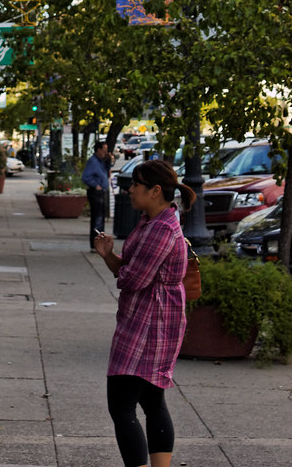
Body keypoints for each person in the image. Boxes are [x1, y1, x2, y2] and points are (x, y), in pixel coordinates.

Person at [94, 159, 196, 467]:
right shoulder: (151, 220)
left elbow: (131, 278)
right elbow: (128, 271)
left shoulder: (162, 229)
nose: (130, 189)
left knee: (122, 404)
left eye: (136, 184)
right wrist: (109, 255)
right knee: (152, 400)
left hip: (151, 323)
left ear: (155, 191)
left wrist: (121, 265)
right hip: (151, 318)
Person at [82, 140, 110, 250]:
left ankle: (99, 241)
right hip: (96, 193)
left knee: (101, 218)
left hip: (102, 192)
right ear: (98, 150)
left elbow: (105, 172)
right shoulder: (93, 161)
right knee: (97, 218)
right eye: (104, 151)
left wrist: (108, 162)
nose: (105, 153)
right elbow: (86, 177)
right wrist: (96, 185)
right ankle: (95, 243)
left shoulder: (101, 161)